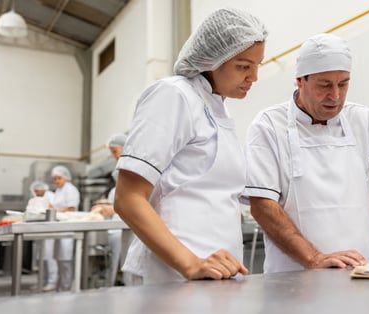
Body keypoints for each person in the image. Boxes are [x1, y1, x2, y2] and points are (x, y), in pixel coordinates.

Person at [243, 33, 369, 274]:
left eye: (343, 83)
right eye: (324, 85)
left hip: (361, 273)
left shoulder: (364, 120)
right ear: (300, 81)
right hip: (296, 279)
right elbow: (262, 205)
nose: (336, 96)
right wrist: (314, 257)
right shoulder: (268, 126)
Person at [114, 7, 267, 284]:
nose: (253, 77)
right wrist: (191, 264)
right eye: (244, 66)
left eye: (257, 66)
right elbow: (128, 198)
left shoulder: (218, 108)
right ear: (212, 60)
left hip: (215, 275)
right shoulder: (173, 95)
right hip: (171, 275)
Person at [89, 133, 136, 286]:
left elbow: (134, 202)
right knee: (123, 264)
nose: (114, 156)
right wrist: (108, 204)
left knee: (130, 266)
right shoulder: (125, 169)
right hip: (119, 228)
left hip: (130, 228)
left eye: (115, 151)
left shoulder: (134, 169)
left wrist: (112, 209)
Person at [43, 165, 80, 291]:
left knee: (65, 258)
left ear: (65, 177)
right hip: (58, 226)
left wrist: (55, 212)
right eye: (55, 179)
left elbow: (71, 208)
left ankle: (66, 287)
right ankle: (58, 285)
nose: (57, 181)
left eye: (59, 178)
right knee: (57, 257)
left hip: (67, 226)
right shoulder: (58, 191)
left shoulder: (71, 190)